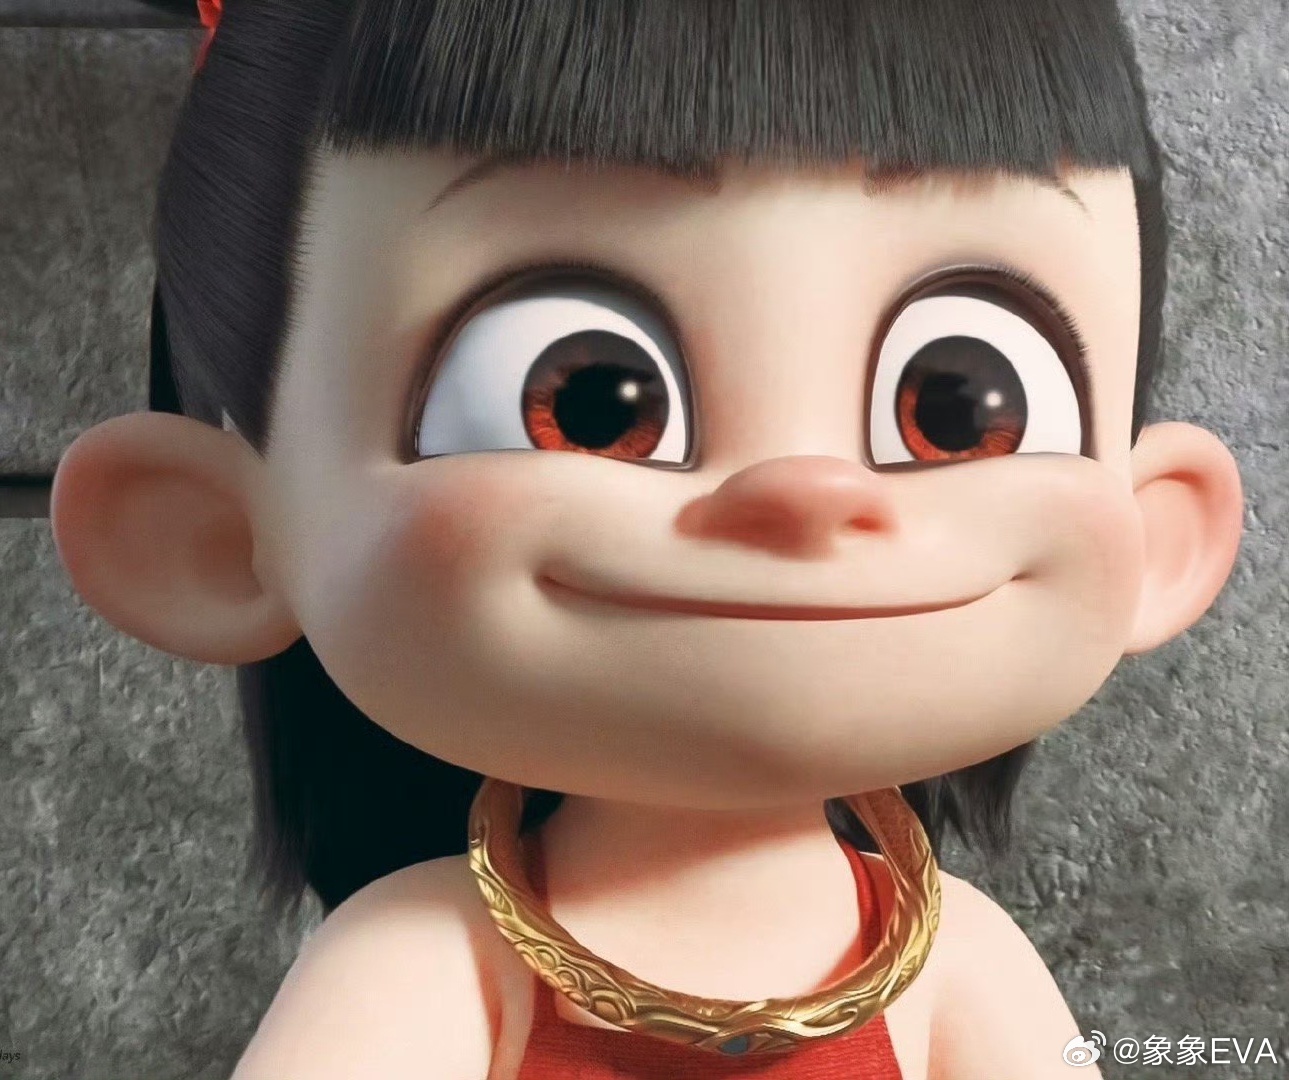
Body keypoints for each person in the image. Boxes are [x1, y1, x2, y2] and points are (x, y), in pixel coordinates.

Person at [49, 1, 1244, 1076]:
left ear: (1161, 529)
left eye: (955, 405)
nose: (805, 491)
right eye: (585, 399)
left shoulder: (959, 961)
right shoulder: (420, 962)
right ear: (212, 536)